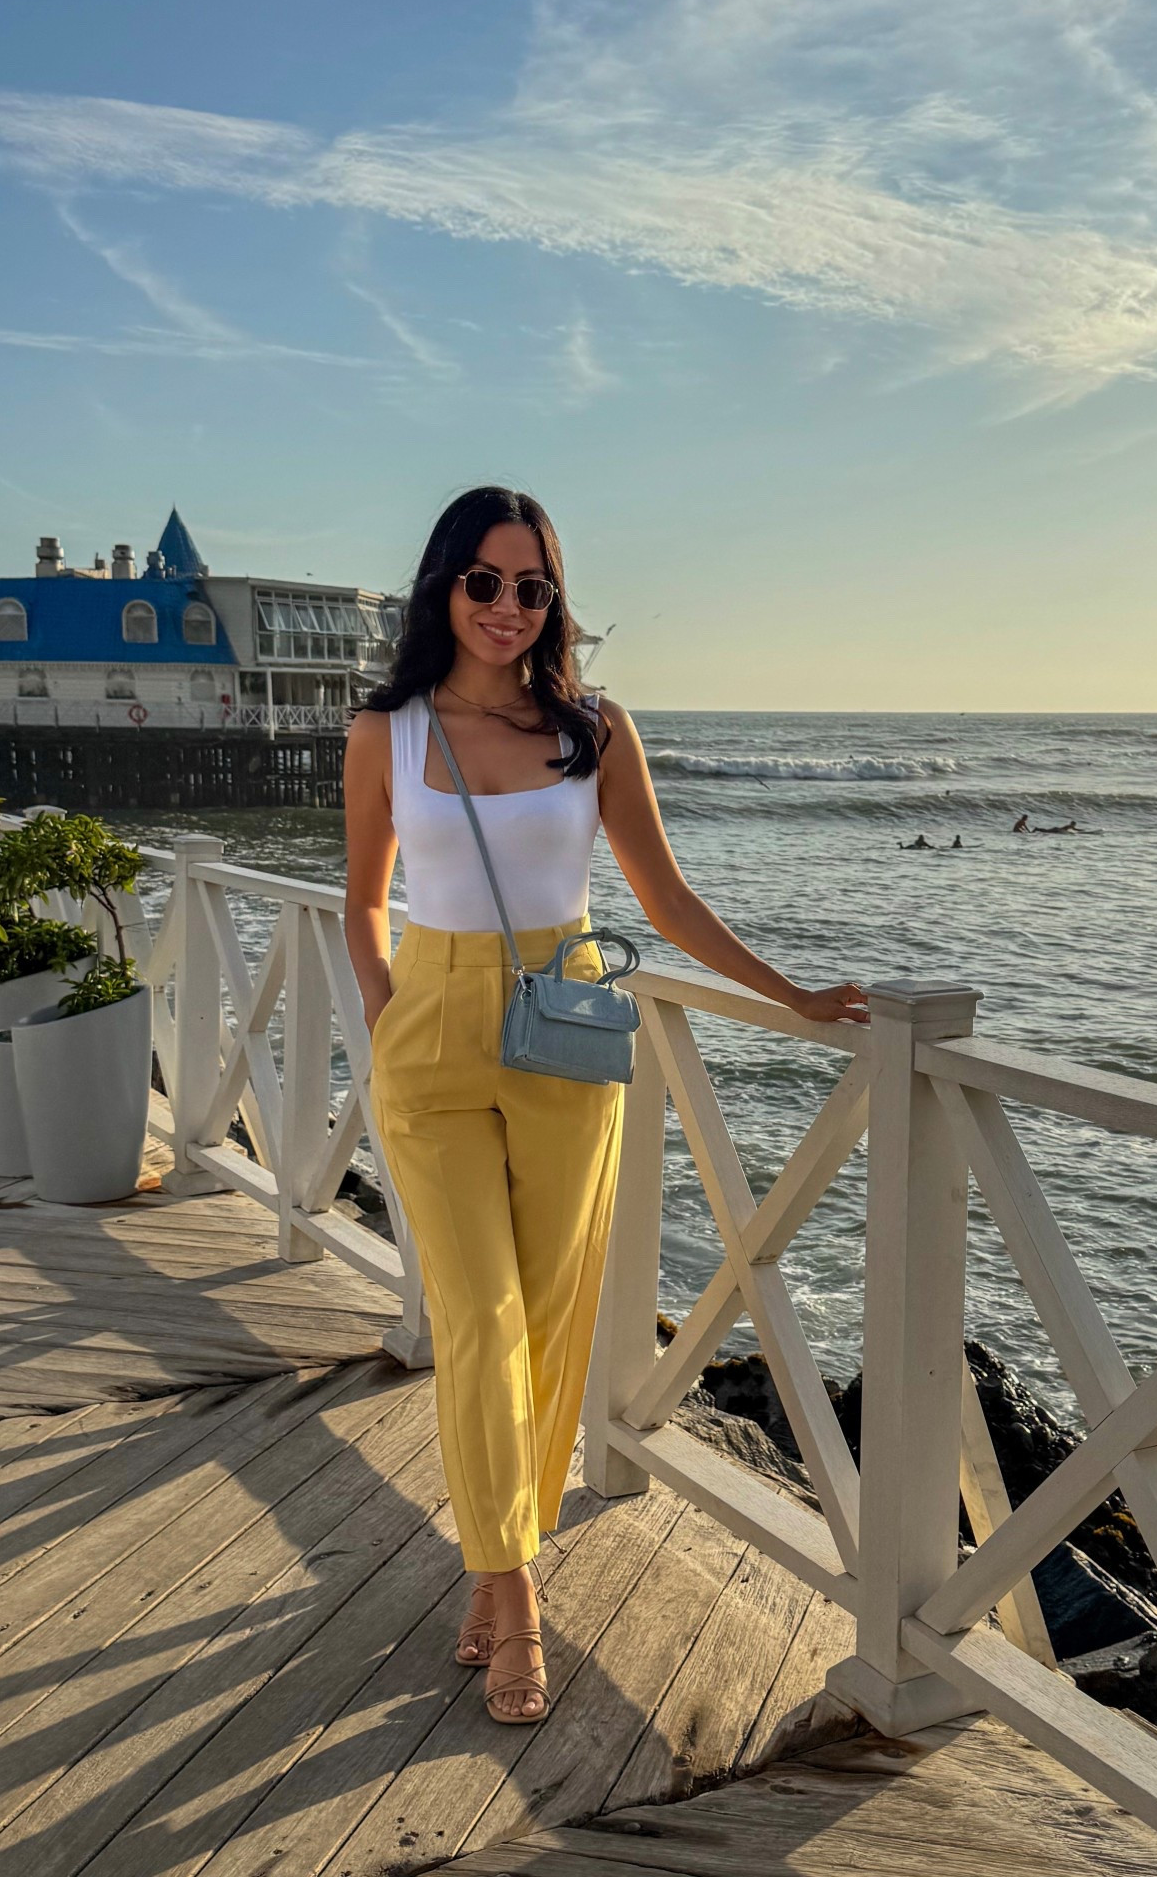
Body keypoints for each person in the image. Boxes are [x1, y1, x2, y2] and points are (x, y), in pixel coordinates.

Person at [343, 487, 866, 1727]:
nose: (507, 608)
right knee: (477, 1312)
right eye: (484, 582)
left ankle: (493, 1551)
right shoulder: (387, 732)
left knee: (551, 1314)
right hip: (431, 1036)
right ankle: (515, 1587)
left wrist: (789, 993)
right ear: (442, 588)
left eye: (532, 588)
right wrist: (387, 1008)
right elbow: (362, 898)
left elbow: (666, 900)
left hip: (565, 1025)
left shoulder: (592, 731)